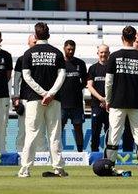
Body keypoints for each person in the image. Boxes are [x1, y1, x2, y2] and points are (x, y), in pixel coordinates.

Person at [18, 22, 67, 178]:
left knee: (31, 133)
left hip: (33, 99)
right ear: (48, 35)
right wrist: (50, 93)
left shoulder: (28, 53)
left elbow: (26, 77)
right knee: (54, 134)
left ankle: (25, 169)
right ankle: (58, 168)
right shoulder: (57, 53)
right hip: (54, 99)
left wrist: (42, 93)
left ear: (35, 35)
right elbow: (62, 76)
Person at [104, 26, 138, 177]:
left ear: (122, 38)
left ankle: (109, 167)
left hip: (117, 102)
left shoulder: (114, 56)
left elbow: (108, 82)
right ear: (133, 39)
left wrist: (108, 99)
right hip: (137, 101)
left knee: (113, 135)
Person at [58, 40, 87, 152]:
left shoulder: (80, 63)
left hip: (77, 103)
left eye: (72, 49)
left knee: (78, 128)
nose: (71, 51)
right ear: (64, 48)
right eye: (68, 49)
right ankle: (57, 152)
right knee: (59, 129)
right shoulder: (59, 63)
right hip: (61, 103)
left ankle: (80, 152)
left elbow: (84, 81)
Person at [13, 34, 36, 152]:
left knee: (37, 128)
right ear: (28, 43)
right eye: (33, 42)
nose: (35, 44)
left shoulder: (41, 59)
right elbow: (16, 80)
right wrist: (16, 96)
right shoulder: (21, 59)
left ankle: (39, 153)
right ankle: (20, 151)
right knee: (23, 128)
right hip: (25, 99)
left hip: (37, 99)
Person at [86, 44, 110, 152]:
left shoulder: (112, 67)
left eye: (105, 52)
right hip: (97, 106)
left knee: (110, 133)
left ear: (109, 53)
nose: (103, 54)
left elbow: (116, 86)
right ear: (98, 53)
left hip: (110, 106)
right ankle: (94, 155)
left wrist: (107, 100)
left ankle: (109, 155)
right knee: (95, 132)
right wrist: (101, 98)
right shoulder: (93, 68)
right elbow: (90, 86)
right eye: (101, 52)